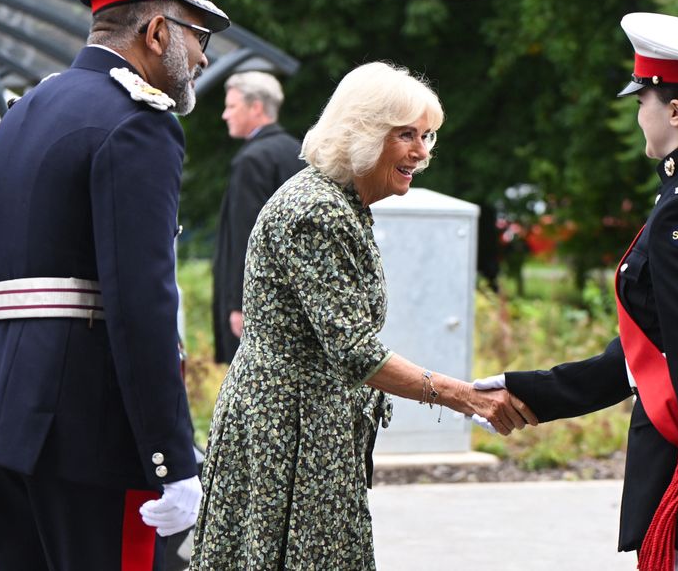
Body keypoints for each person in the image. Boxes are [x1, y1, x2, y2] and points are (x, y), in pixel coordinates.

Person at [478, 13, 678, 570]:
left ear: (674, 112)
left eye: (641, 100)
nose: (637, 114)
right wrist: (530, 390)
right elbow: (649, 353)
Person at [0, 0, 232, 571]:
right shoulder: (138, 123)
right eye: (199, 37)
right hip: (89, 431)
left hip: (2, 418)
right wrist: (169, 459)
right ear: (157, 33)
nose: (203, 58)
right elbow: (143, 304)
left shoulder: (23, 114)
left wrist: (2, 389)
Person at [190, 61, 538, 570]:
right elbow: (356, 352)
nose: (421, 151)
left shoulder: (341, 202)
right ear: (363, 132)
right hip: (290, 432)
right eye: (406, 135)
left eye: (426, 136)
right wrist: (467, 398)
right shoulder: (319, 210)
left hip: (309, 428)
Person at [212, 70, 305, 363]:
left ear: (256, 107)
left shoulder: (252, 160)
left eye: (231, 106)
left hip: (258, 303)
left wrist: (239, 305)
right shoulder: (298, 152)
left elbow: (245, 237)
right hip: (294, 298)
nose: (225, 115)